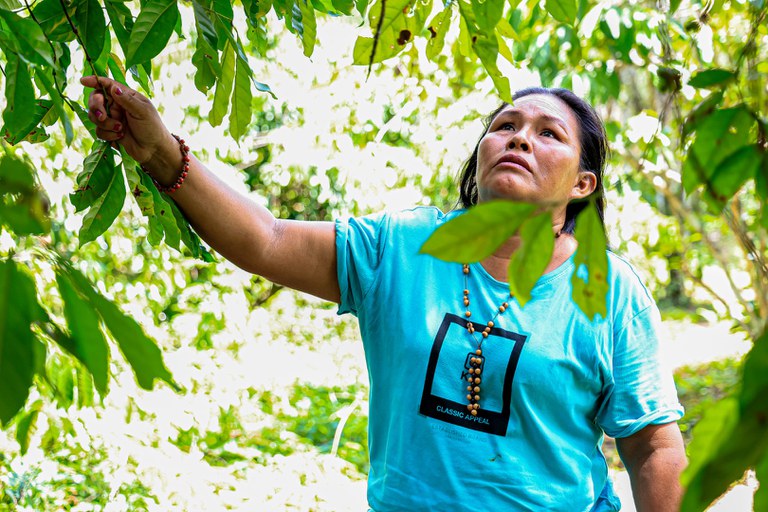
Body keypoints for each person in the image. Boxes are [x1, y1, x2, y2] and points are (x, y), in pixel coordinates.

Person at [81, 75, 687, 511]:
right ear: (479, 160)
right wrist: (160, 151)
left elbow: (653, 447)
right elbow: (266, 240)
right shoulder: (399, 247)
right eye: (505, 126)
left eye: (548, 133)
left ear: (583, 183)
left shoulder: (612, 294)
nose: (519, 139)